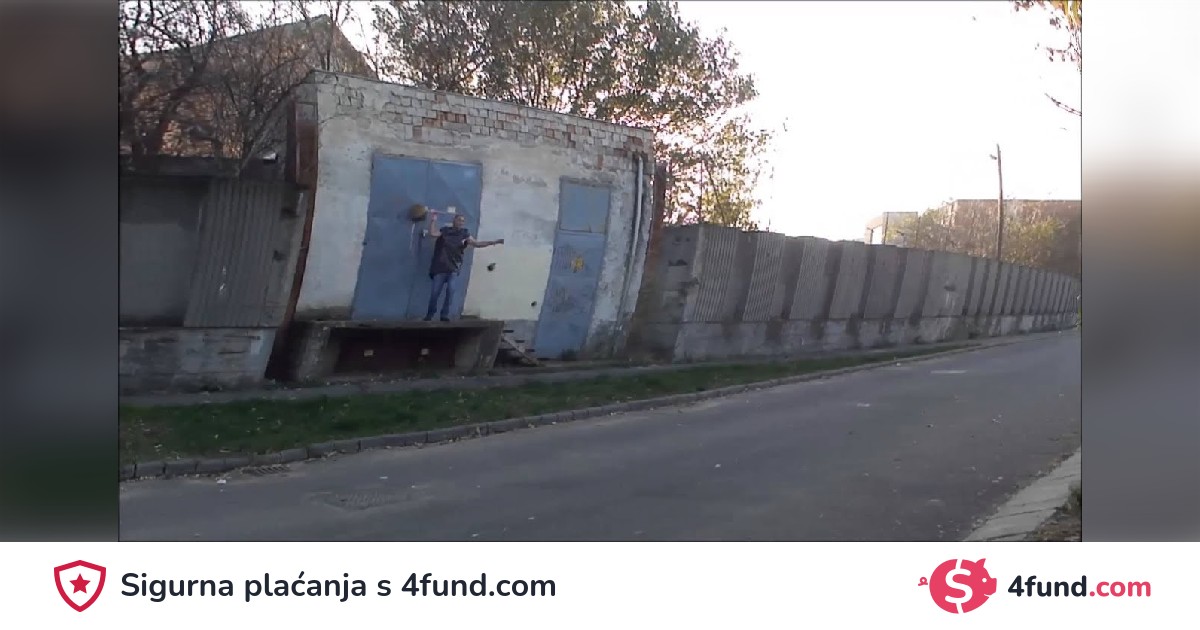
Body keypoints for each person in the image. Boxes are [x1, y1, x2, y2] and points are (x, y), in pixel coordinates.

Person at [423, 212, 503, 321]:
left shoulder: (464, 234)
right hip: (440, 267)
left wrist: (493, 242)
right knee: (435, 293)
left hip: (453, 267)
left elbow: (477, 243)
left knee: (451, 291)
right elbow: (433, 233)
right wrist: (433, 220)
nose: (461, 222)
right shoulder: (445, 231)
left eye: (462, 221)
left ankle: (444, 315)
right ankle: (429, 315)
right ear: (454, 221)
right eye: (459, 220)